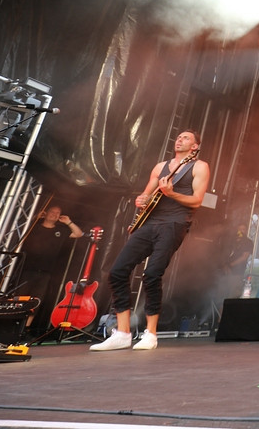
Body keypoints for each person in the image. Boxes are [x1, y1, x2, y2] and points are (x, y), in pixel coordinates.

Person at [90, 130, 209, 351]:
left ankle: (151, 334)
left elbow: (196, 201)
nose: (180, 139)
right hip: (148, 224)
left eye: (186, 138)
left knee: (152, 274)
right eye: (179, 136)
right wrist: (141, 199)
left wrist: (171, 194)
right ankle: (123, 333)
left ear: (194, 147)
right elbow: (146, 196)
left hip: (174, 223)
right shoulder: (159, 167)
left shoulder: (199, 166)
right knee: (117, 271)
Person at [19, 204, 84, 335]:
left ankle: (25, 329)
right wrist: (35, 217)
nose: (54, 214)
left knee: (36, 301)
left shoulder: (61, 231)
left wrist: (68, 222)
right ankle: (12, 325)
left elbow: (79, 234)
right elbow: (19, 227)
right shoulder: (33, 227)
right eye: (52, 212)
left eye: (57, 213)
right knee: (20, 299)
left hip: (46, 272)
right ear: (45, 213)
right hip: (27, 269)